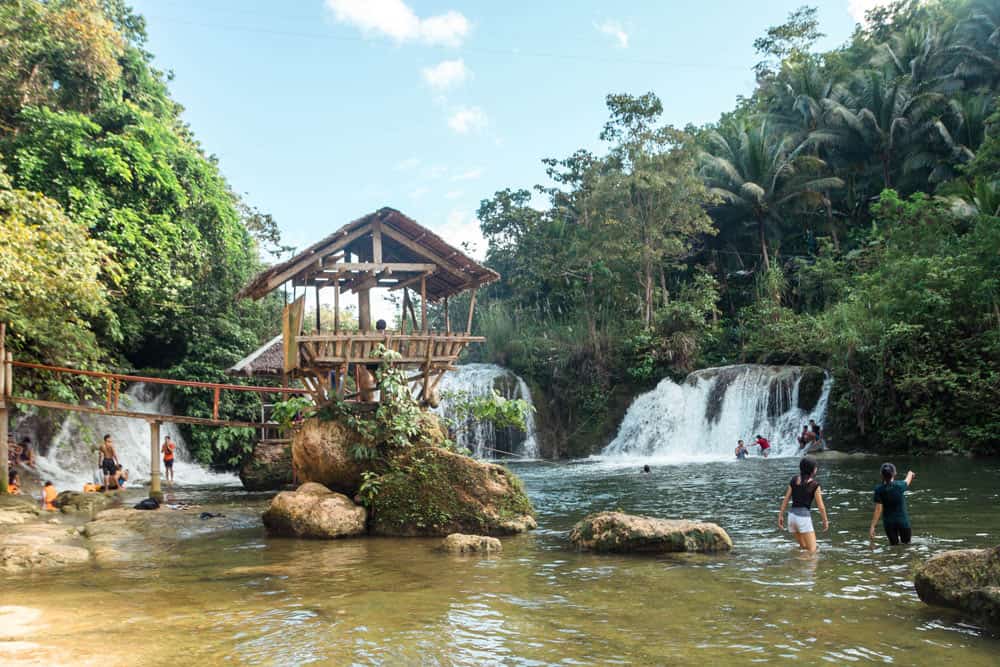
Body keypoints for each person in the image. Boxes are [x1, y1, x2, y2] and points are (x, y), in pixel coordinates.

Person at [777, 457, 829, 552]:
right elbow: (821, 507)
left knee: (803, 548)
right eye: (816, 467)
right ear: (812, 470)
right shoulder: (814, 484)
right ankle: (805, 566)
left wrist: (780, 515)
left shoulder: (794, 480)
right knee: (812, 551)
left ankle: (798, 566)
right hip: (803, 518)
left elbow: (786, 499)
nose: (816, 469)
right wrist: (825, 521)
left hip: (791, 517)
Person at [869, 463, 915, 545]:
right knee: (907, 545)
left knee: (894, 546)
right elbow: (908, 479)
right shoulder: (900, 485)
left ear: (881, 475)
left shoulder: (878, 490)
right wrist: (911, 473)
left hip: (889, 524)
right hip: (903, 522)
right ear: (894, 473)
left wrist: (873, 526)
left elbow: (878, 509)